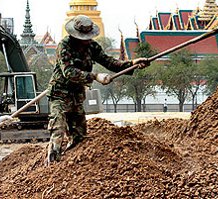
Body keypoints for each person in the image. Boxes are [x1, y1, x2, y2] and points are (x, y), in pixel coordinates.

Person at [46, 15, 149, 164]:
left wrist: (132, 63)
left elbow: (110, 62)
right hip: (59, 94)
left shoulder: (92, 47)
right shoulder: (64, 46)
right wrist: (95, 76)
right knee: (58, 130)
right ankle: (52, 166)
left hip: (76, 96)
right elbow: (68, 72)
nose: (86, 40)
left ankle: (71, 166)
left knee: (79, 136)